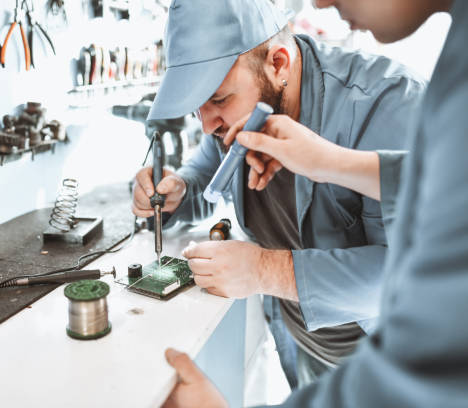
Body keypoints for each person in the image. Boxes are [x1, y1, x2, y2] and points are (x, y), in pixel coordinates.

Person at [163, 0, 468, 407]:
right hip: (302, 341)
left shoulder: (391, 105)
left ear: (278, 63)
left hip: (371, 361)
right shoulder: (237, 111)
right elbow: (207, 174)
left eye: (218, 99)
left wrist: (266, 270)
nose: (207, 123)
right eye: (197, 105)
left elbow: (404, 280)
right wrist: (179, 192)